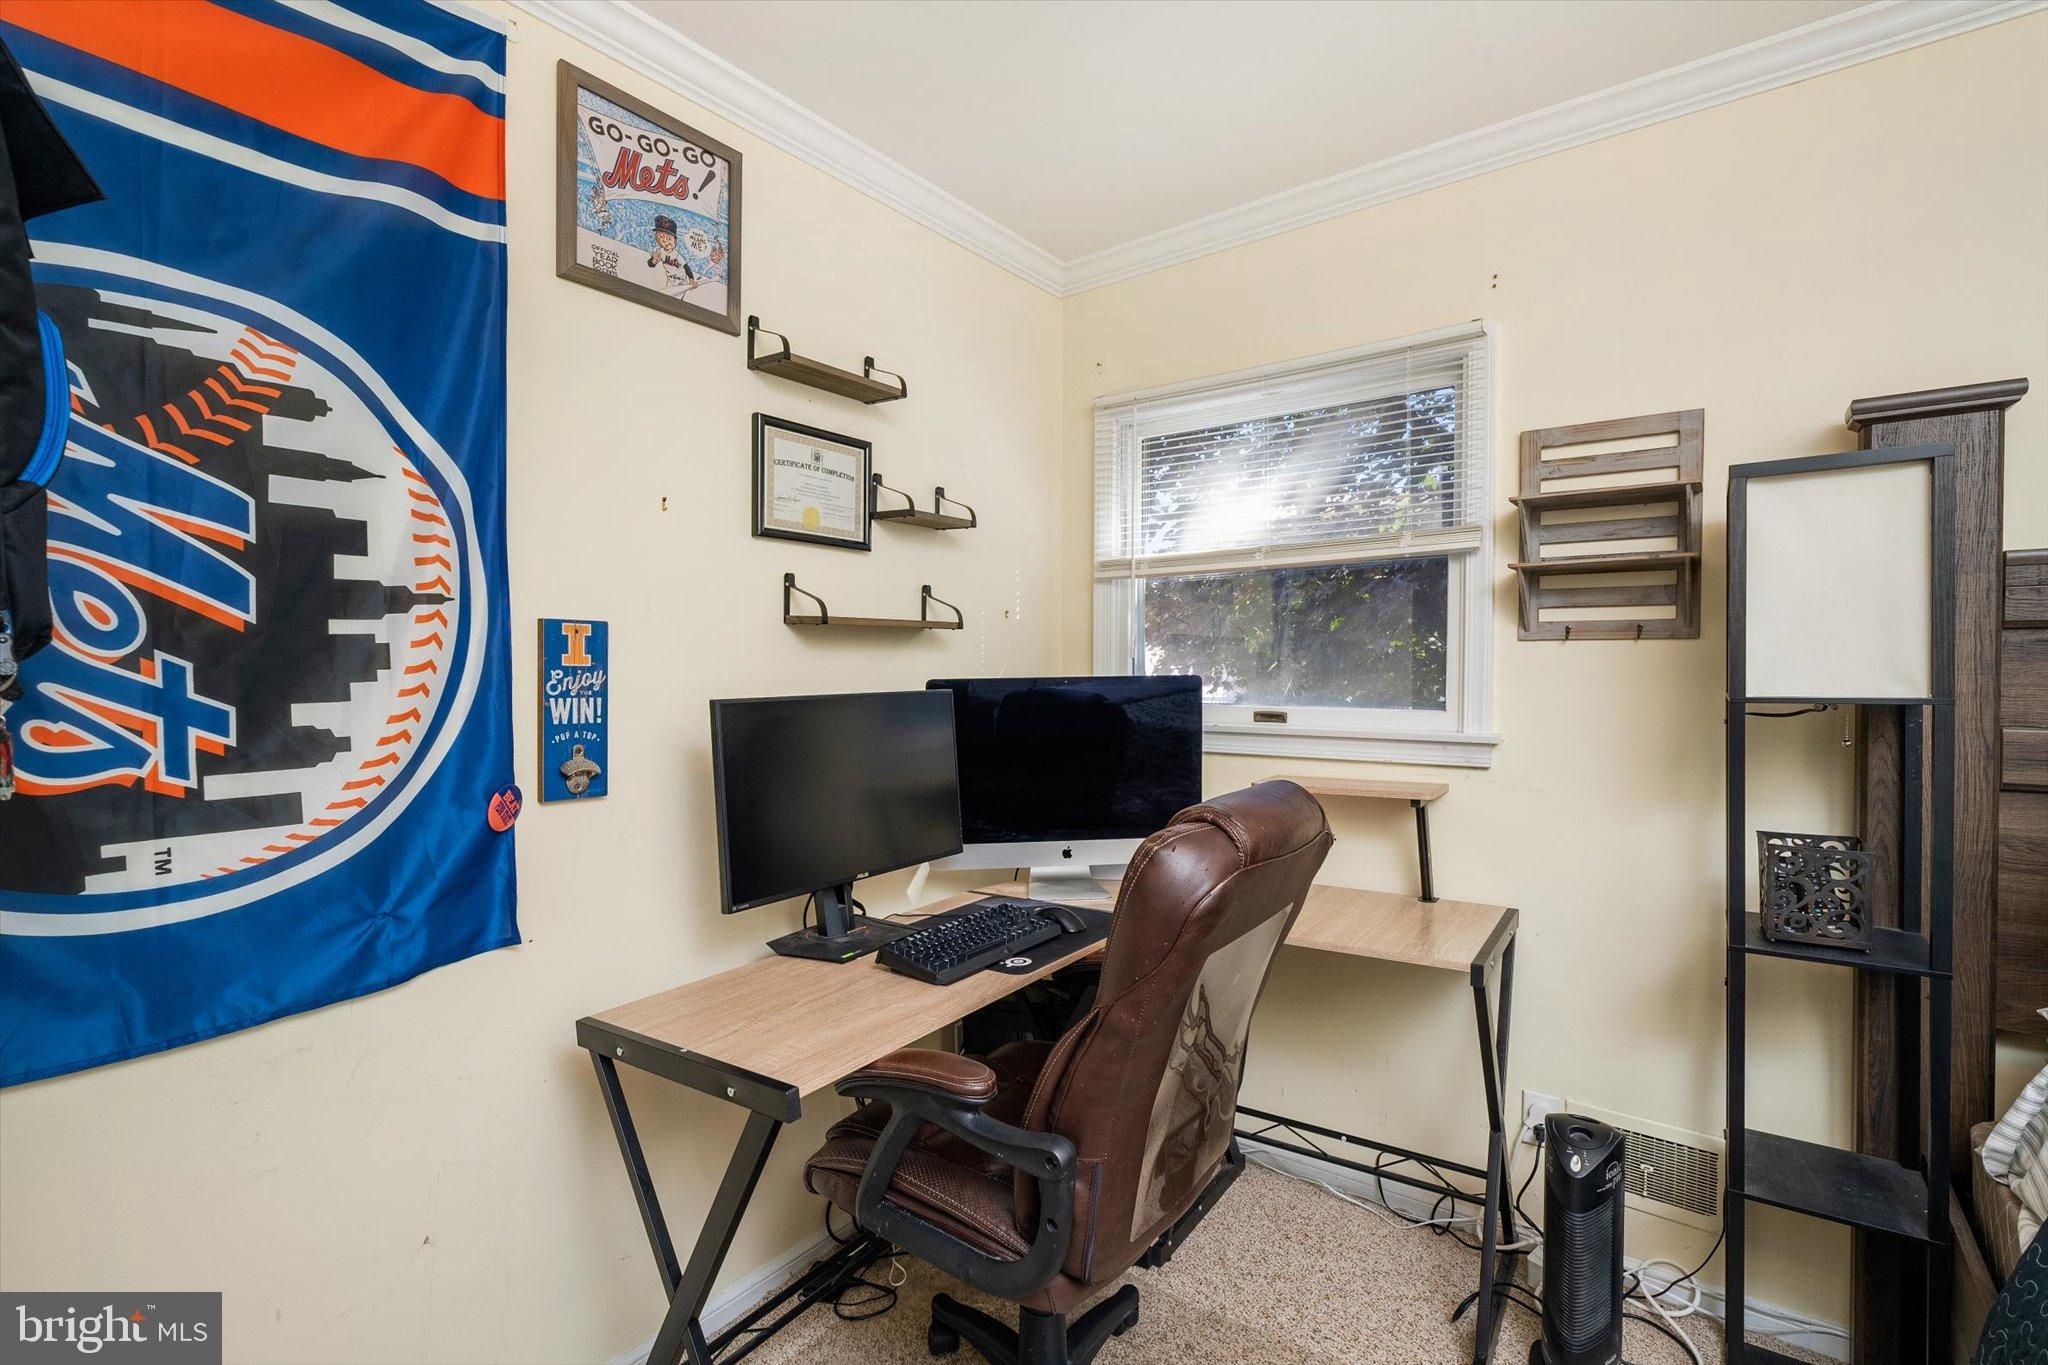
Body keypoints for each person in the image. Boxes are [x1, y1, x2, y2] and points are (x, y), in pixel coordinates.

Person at [646, 213, 697, 300]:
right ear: (658, 239)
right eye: (662, 237)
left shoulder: (676, 254)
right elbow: (650, 264)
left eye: (669, 238)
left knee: (676, 300)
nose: (666, 241)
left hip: (681, 281)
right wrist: (654, 260)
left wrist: (691, 279)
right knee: (666, 299)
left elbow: (686, 267)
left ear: (674, 240)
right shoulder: (660, 252)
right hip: (670, 280)